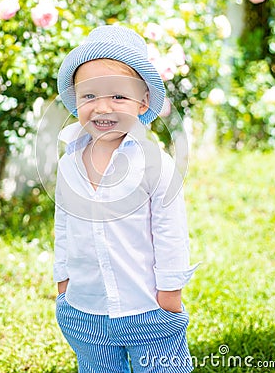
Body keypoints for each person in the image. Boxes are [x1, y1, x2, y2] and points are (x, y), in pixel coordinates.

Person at [54, 25, 199, 373]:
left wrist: (170, 294)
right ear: (76, 100)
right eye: (89, 96)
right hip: (85, 309)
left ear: (143, 101)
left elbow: (170, 231)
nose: (103, 107)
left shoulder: (155, 164)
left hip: (148, 307)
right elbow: (63, 225)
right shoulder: (67, 164)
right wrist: (63, 281)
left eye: (118, 96)